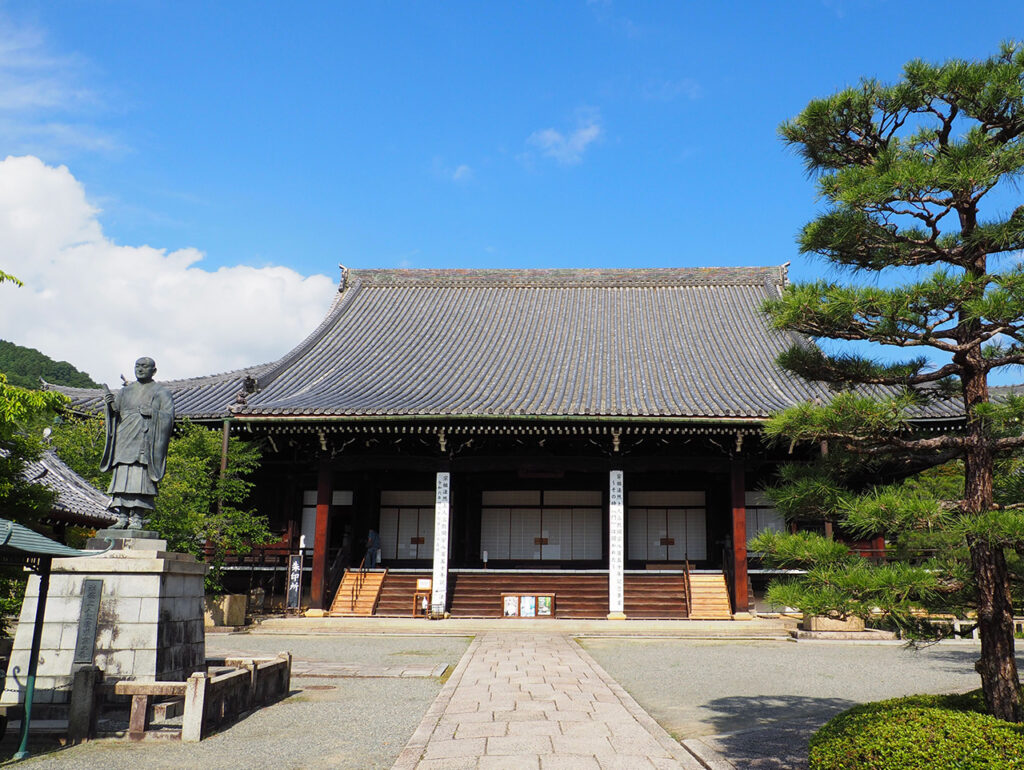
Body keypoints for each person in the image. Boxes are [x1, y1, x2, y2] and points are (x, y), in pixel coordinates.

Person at [100, 357, 175, 530]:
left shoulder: (161, 392)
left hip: (144, 441)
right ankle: (122, 516)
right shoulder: (125, 391)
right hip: (124, 438)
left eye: (144, 366)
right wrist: (110, 406)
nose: (140, 369)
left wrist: (153, 413)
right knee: (122, 478)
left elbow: (168, 418)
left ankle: (137, 518)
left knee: (140, 479)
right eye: (137, 366)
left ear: (153, 371)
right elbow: (116, 414)